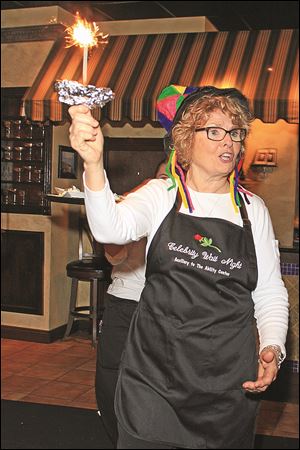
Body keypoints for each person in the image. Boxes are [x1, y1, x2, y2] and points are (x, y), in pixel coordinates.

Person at [69, 84, 289, 449]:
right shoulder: (162, 194)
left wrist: (273, 345)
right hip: (155, 377)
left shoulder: (253, 210)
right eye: (214, 131)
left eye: (235, 133)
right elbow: (111, 229)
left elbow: (268, 290)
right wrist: (93, 164)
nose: (229, 143)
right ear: (186, 140)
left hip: (225, 381)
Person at [96, 159, 168, 447]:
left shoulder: (186, 215)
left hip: (162, 310)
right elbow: (114, 254)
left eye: (171, 178)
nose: (165, 183)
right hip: (124, 301)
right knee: (109, 379)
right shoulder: (139, 206)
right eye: (161, 176)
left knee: (154, 384)